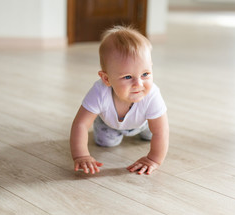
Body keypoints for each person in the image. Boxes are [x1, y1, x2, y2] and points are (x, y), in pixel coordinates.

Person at [70, 26, 169, 175]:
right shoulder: (99, 91)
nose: (139, 84)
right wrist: (81, 155)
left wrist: (153, 159)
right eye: (128, 77)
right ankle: (108, 130)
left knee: (153, 133)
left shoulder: (152, 94)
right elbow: (81, 124)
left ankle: (145, 130)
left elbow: (162, 131)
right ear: (106, 78)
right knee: (106, 142)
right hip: (109, 123)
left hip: (143, 123)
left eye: (145, 74)